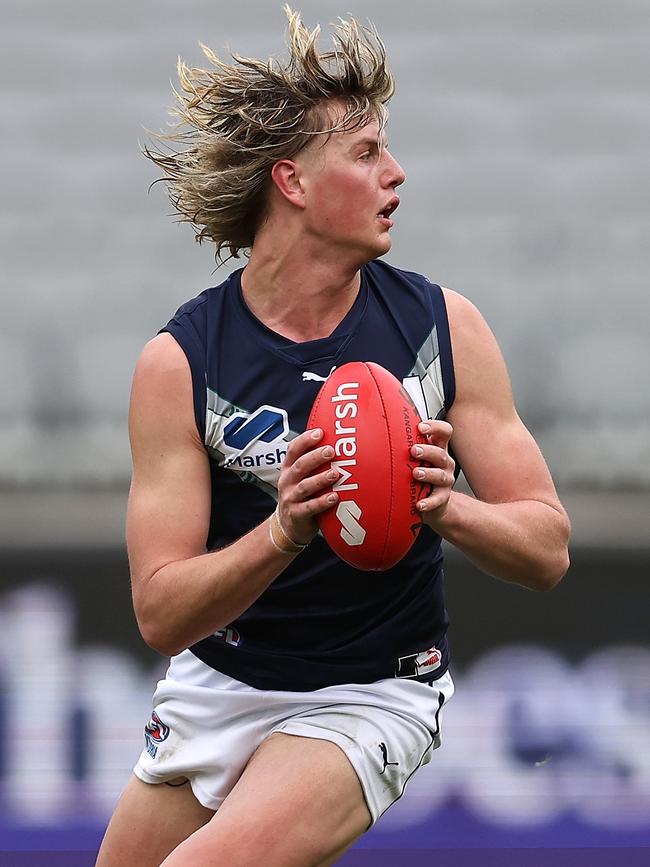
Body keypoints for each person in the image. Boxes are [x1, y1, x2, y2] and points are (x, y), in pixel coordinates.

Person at [96, 8, 570, 866]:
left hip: (375, 686)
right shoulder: (181, 362)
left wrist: (445, 508)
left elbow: (547, 549)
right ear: (293, 182)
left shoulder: (440, 328)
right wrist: (283, 530)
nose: (397, 173)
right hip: (222, 682)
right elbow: (160, 612)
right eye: (366, 153)